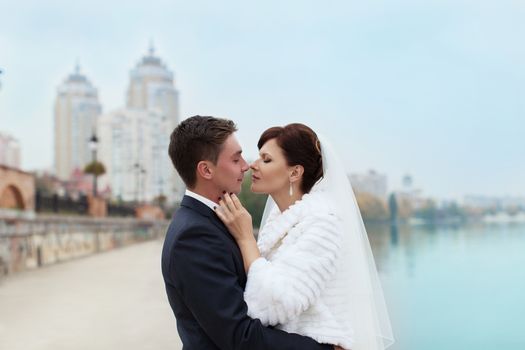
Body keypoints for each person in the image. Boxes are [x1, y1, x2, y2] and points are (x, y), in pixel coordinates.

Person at [161, 116, 336, 349]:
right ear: (205, 170)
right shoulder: (193, 237)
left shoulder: (219, 220)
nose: (246, 165)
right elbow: (240, 336)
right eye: (236, 159)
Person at [215, 123, 395, 350]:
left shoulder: (323, 221)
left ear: (295, 172)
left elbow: (278, 301)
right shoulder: (280, 220)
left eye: (266, 159)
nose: (253, 165)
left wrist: (245, 238)